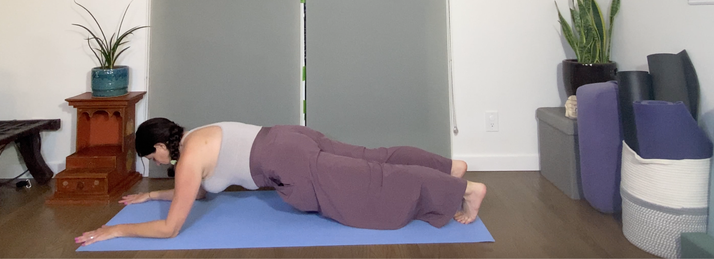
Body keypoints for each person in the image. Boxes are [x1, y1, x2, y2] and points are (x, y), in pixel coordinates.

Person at [75, 118, 486, 246]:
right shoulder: (196, 137)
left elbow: (171, 228)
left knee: (370, 185)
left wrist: (116, 230)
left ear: (159, 147)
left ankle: (464, 191)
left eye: (150, 156)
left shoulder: (186, 163)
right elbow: (196, 192)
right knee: (372, 158)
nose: (153, 162)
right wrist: (151, 197)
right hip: (289, 137)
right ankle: (451, 167)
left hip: (284, 161)